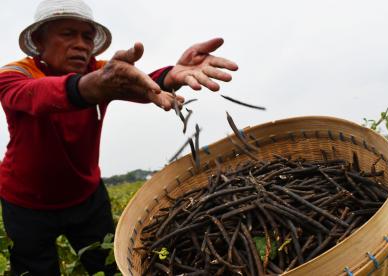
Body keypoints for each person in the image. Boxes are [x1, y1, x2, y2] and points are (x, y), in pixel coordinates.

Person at [0, 0, 238, 275]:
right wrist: (96, 85)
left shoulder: (100, 71)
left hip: (86, 198)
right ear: (39, 40)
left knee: (109, 265)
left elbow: (133, 82)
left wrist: (169, 76)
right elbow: (42, 94)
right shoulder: (15, 75)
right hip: (26, 202)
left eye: (87, 36)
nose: (80, 44)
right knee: (35, 270)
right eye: (68, 34)